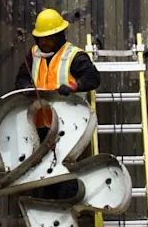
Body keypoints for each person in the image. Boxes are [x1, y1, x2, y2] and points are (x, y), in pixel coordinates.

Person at [15, 8, 102, 136]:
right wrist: (27, 87)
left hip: (69, 125)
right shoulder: (34, 54)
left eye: (49, 38)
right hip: (39, 124)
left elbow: (93, 78)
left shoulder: (74, 55)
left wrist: (72, 87)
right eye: (41, 38)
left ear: (58, 36)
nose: (44, 42)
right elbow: (21, 77)